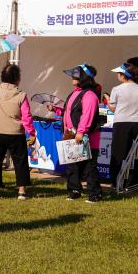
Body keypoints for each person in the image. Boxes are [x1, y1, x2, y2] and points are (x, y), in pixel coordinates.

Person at [0, 64, 36, 200]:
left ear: (2, 77)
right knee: (20, 162)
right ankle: (21, 192)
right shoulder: (21, 94)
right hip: (15, 132)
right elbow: (27, 117)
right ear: (17, 79)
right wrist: (31, 132)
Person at [60, 64, 104, 203]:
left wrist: (81, 132)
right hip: (73, 135)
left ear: (82, 78)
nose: (72, 77)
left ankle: (95, 194)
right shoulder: (75, 93)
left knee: (89, 167)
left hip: (86, 137)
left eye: (75, 75)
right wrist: (66, 130)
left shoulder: (89, 95)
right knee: (72, 166)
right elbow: (68, 112)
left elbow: (87, 115)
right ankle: (74, 190)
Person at [108, 64, 138, 189]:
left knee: (118, 153)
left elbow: (113, 108)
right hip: (137, 122)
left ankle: (116, 182)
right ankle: (133, 181)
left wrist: (108, 100)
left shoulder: (117, 89)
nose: (117, 76)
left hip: (121, 122)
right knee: (135, 152)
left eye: (118, 74)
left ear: (123, 75)